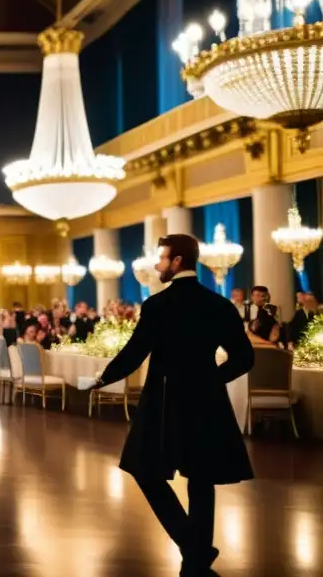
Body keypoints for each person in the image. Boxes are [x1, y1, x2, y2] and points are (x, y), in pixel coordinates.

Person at [84, 234, 253, 575]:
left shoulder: (158, 305)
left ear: (177, 262)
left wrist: (103, 378)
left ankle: (192, 547)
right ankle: (196, 557)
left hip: (164, 401)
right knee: (201, 479)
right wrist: (212, 381)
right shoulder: (219, 305)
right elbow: (244, 358)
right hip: (207, 403)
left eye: (162, 258)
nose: (158, 265)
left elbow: (135, 353)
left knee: (145, 470)